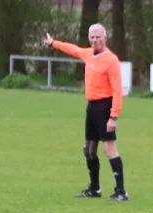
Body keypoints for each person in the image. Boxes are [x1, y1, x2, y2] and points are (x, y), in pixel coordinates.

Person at [44, 25, 128, 201]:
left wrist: (113, 116)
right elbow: (73, 49)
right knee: (89, 149)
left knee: (109, 149)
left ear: (105, 37)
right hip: (91, 107)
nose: (94, 40)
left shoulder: (111, 60)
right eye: (92, 37)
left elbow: (117, 90)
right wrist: (53, 43)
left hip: (105, 108)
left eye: (98, 37)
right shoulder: (88, 54)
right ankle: (94, 189)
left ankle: (121, 191)